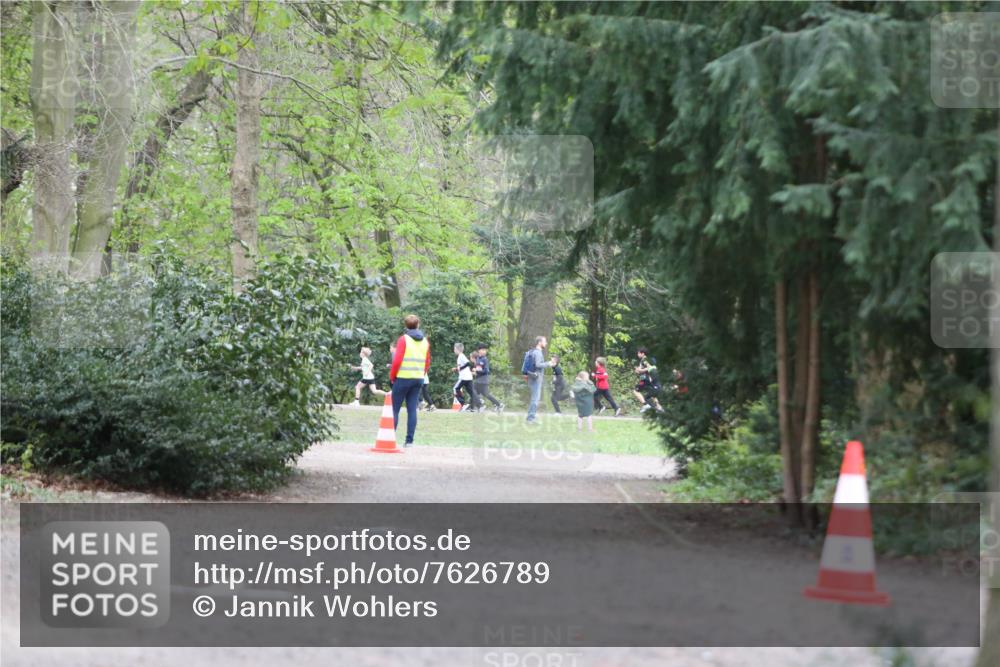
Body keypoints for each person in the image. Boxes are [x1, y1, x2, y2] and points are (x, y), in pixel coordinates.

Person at [389, 314, 431, 447]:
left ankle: (390, 439)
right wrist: (421, 375)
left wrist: (392, 376)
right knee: (412, 409)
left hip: (402, 378)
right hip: (418, 379)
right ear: (418, 325)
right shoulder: (425, 341)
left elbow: (397, 361)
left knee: (394, 409)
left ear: (406, 326)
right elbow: (427, 362)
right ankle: (409, 441)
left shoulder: (403, 339)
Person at [521, 335, 554, 423]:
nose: (546, 343)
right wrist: (549, 363)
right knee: (535, 399)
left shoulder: (532, 351)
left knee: (534, 398)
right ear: (539, 342)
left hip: (531, 376)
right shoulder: (538, 352)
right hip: (536, 378)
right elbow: (538, 364)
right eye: (544, 341)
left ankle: (532, 416)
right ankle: (530, 418)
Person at [473, 343, 504, 412]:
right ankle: (478, 406)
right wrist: (475, 371)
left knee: (479, 392)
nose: (484, 351)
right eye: (483, 350)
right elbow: (478, 368)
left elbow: (486, 370)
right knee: (477, 392)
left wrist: (477, 371)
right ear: (479, 350)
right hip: (478, 380)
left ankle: (480, 405)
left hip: (483, 380)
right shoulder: (478, 358)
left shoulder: (485, 359)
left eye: (485, 350)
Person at [633, 347, 664, 413]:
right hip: (648, 379)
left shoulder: (645, 360)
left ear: (642, 353)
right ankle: (660, 408)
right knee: (652, 395)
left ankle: (646, 405)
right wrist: (638, 370)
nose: (637, 354)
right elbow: (642, 370)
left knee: (636, 391)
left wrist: (640, 370)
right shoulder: (643, 360)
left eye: (638, 353)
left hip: (645, 379)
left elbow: (650, 367)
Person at [452, 342, 475, 412]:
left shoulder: (461, 356)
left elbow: (468, 363)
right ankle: (473, 406)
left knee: (455, 389)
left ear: (457, 349)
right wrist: (456, 369)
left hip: (464, 377)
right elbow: (464, 365)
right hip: (468, 377)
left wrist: (459, 369)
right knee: (471, 392)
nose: (454, 350)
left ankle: (463, 404)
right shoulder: (461, 356)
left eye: (454, 349)